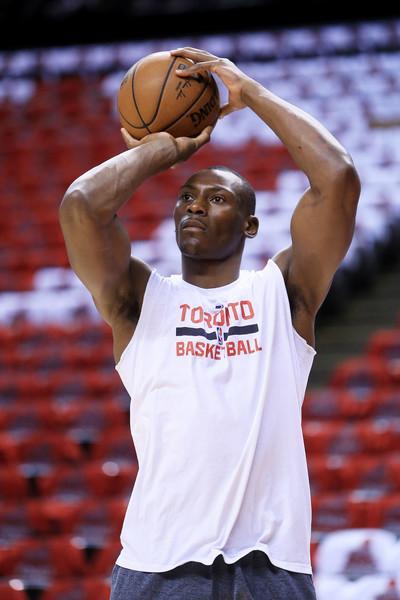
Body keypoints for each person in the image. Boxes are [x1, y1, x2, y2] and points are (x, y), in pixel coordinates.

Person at [59, 47, 360, 600]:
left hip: (270, 565)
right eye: (186, 198)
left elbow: (338, 178)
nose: (194, 207)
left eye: (216, 198)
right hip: (157, 565)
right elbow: (81, 206)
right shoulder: (139, 299)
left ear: (249, 226)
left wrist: (253, 94)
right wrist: (158, 150)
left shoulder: (282, 292)